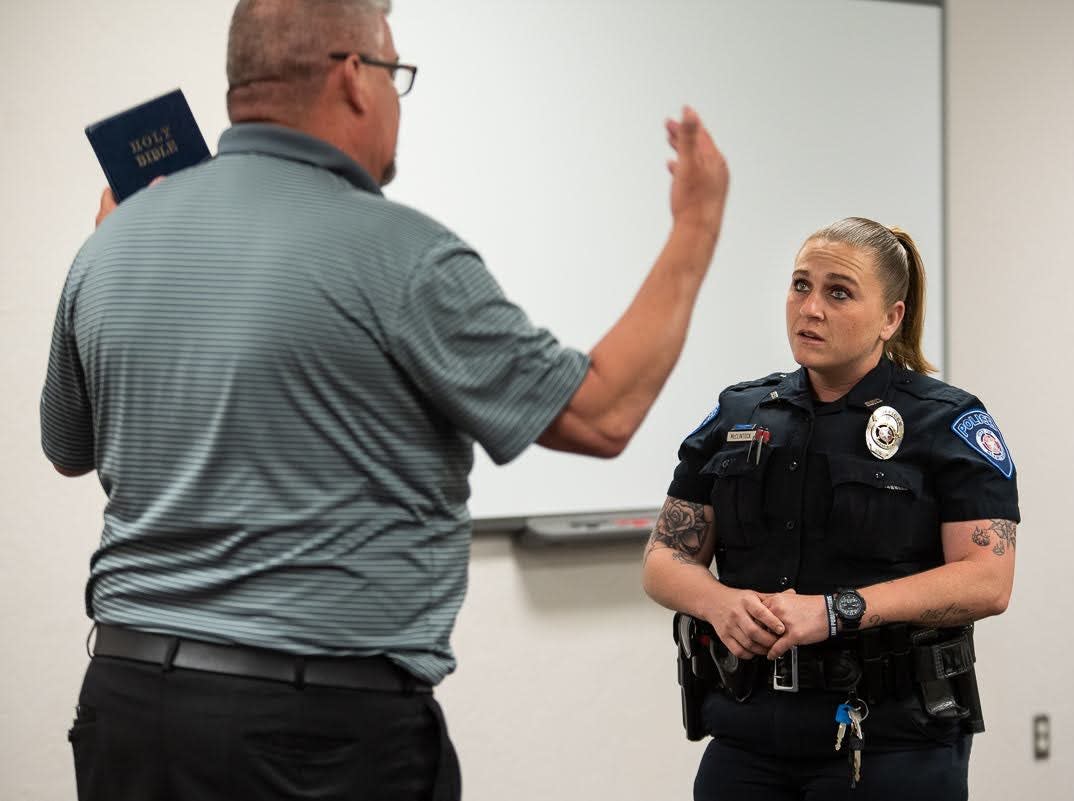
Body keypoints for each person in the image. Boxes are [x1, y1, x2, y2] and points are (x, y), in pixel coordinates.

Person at [41, 1, 728, 799]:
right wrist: (698, 224)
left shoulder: (109, 244)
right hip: (311, 739)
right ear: (352, 79)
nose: (398, 100)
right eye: (397, 74)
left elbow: (68, 446)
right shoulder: (400, 253)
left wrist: (118, 243)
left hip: (125, 711)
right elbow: (604, 411)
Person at [642, 217, 1018, 801]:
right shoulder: (739, 413)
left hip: (888, 743)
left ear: (891, 318)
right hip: (747, 738)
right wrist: (719, 604)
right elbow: (665, 559)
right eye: (800, 286)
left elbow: (988, 580)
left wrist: (836, 611)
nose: (809, 308)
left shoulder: (943, 422)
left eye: (838, 292)